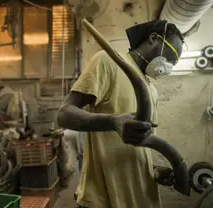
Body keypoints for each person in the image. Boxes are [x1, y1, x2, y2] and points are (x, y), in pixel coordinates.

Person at [56, 20, 184, 208]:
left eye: (175, 62)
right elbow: (64, 114)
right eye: (171, 56)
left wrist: (152, 170)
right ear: (153, 39)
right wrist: (113, 121)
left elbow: (139, 145)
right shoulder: (108, 61)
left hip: (141, 199)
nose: (170, 65)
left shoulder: (151, 89)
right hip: (104, 200)